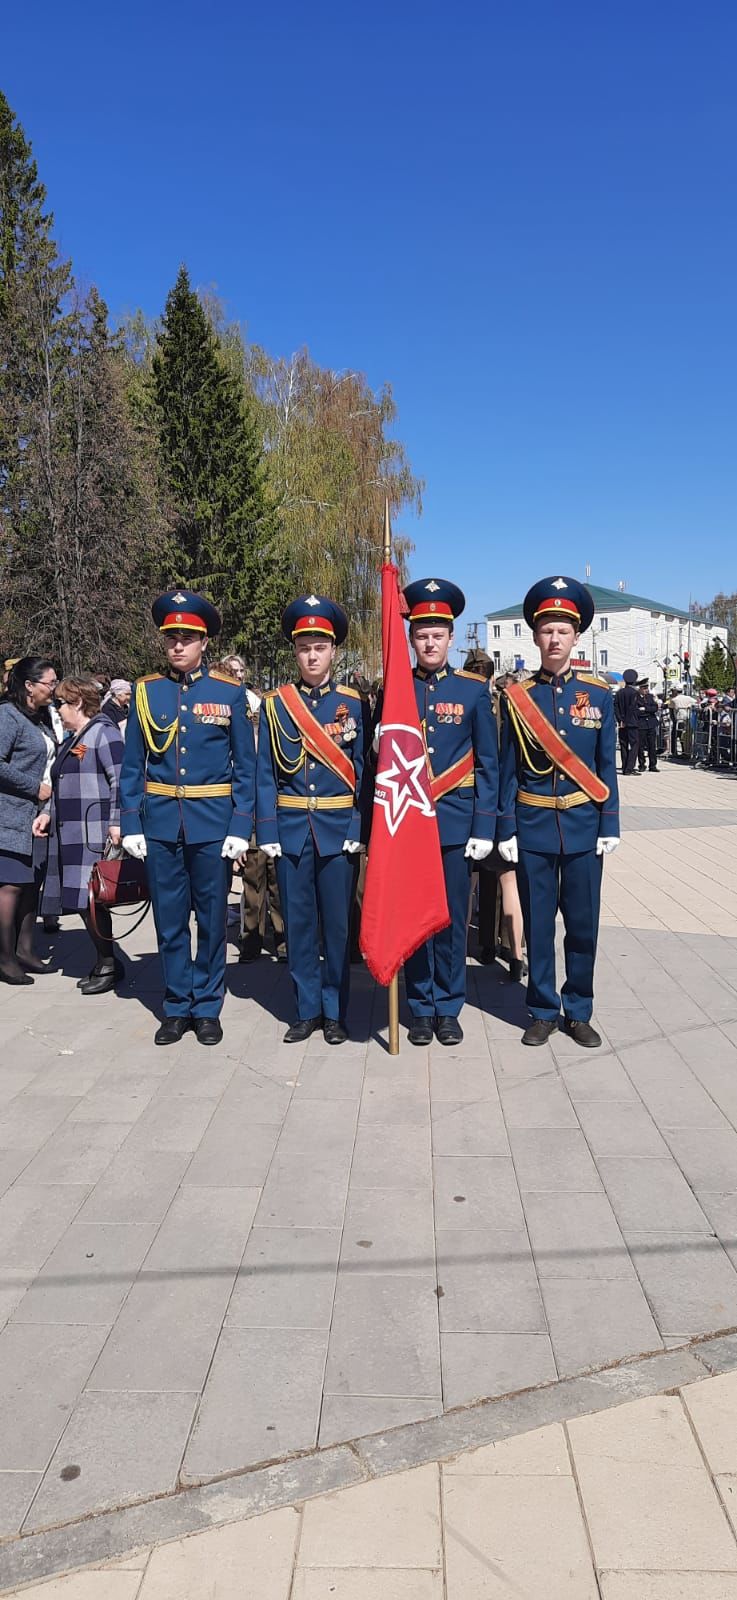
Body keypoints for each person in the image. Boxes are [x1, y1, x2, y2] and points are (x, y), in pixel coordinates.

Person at [119, 589, 256, 1046]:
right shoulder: (146, 691)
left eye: (188, 637)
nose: (178, 645)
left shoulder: (228, 693)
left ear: (204, 643)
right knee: (170, 920)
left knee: (212, 919)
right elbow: (133, 766)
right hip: (159, 824)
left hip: (212, 824)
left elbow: (245, 768)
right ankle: (177, 1005)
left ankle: (208, 1005)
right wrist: (131, 823)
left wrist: (241, 827)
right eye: (172, 637)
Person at [497, 576, 620, 1048]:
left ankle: (580, 1009)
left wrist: (610, 823)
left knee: (583, 925)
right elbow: (507, 767)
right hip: (531, 827)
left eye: (563, 630)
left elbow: (607, 764)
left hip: (585, 827)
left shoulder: (600, 695)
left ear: (576, 636)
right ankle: (544, 1008)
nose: (554, 639)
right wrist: (505, 826)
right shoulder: (516, 698)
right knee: (539, 924)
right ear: (534, 636)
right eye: (547, 630)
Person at [380, 578, 498, 1046]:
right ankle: (420, 1004)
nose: (428, 642)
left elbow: (489, 763)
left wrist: (484, 826)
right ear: (410, 638)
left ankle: (449, 1005)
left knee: (449, 918)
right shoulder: (396, 689)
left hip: (453, 824)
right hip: (407, 823)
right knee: (413, 917)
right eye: (420, 634)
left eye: (437, 634)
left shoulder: (471, 692)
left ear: (451, 638)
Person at [256, 595, 368, 1044]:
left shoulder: (355, 703)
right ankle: (305, 1010)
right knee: (298, 925)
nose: (312, 655)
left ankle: (335, 1011)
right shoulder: (276, 704)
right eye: (304, 647)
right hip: (292, 829)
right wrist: (266, 831)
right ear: (295, 651)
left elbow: (365, 769)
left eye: (320, 646)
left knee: (338, 926)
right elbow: (265, 771)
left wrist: (359, 829)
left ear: (334, 651)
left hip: (339, 829)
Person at [36, 678, 125, 993]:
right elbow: (59, 782)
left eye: (61, 703)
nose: (57, 710)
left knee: (93, 902)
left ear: (77, 703)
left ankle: (109, 964)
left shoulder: (104, 733)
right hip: (71, 832)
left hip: (94, 835)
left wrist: (117, 824)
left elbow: (121, 783)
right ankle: (106, 961)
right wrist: (47, 813)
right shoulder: (75, 739)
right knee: (84, 902)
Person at [0, 657, 58, 984]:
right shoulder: (7, 716)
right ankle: (4, 958)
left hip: (36, 817)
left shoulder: (40, 718)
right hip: (9, 814)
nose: (54, 688)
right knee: (10, 885)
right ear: (29, 686)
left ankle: (25, 951)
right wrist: (34, 787)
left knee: (29, 885)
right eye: (49, 682)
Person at [614, 669, 640, 774]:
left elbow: (615, 707)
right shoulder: (634, 693)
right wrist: (626, 720)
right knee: (634, 745)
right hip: (632, 723)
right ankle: (630, 768)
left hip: (621, 724)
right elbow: (632, 708)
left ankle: (624, 766)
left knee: (623, 745)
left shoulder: (619, 692)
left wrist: (620, 720)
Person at [636, 679, 659, 772]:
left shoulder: (650, 697)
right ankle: (642, 764)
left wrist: (645, 709)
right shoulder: (636, 697)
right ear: (640, 689)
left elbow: (655, 708)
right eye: (644, 688)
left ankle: (653, 765)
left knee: (652, 746)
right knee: (640, 746)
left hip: (651, 724)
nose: (646, 690)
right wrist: (647, 711)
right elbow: (637, 711)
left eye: (647, 688)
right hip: (641, 724)